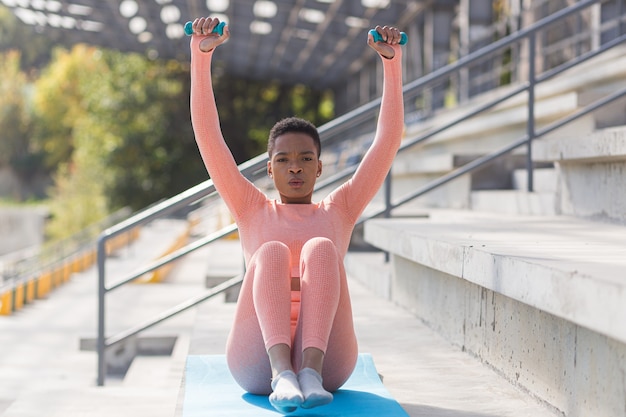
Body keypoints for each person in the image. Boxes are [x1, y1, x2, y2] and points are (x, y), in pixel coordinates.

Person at [189, 17, 404, 413]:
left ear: (319, 168)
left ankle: (307, 370)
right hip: (255, 365)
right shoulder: (250, 207)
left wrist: (392, 63)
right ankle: (282, 373)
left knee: (322, 248)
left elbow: (387, 142)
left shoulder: (339, 210)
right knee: (269, 253)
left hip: (329, 368)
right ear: (269, 169)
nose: (295, 168)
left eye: (306, 159)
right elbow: (208, 135)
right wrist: (201, 58)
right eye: (283, 160)